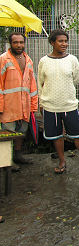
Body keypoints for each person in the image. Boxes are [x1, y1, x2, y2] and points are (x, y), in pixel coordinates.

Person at [38, 30, 79, 174]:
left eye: (66, 41)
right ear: (52, 43)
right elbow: (40, 83)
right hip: (50, 105)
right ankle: (62, 161)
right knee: (57, 135)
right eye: (60, 41)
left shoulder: (72, 60)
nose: (64, 44)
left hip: (69, 104)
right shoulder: (44, 61)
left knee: (78, 135)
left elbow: (75, 80)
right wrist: (41, 104)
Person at [0, 32, 38, 167]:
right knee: (7, 134)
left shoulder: (28, 60)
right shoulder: (3, 59)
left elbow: (32, 85)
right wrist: (0, 107)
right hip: (8, 106)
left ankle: (18, 156)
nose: (19, 45)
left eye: (21, 42)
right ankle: (6, 161)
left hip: (24, 105)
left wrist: (33, 106)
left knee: (21, 131)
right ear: (10, 43)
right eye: (15, 42)